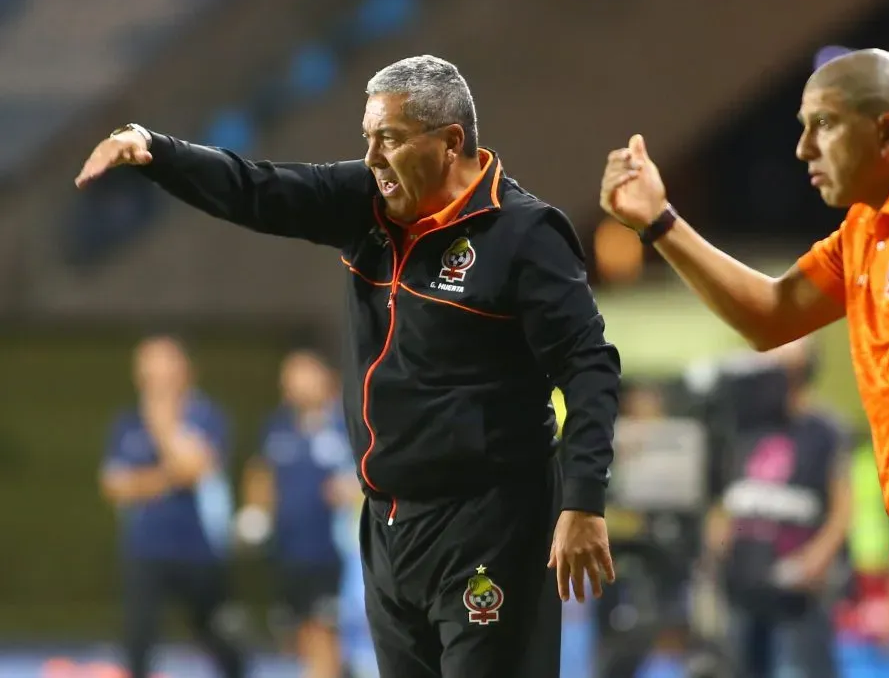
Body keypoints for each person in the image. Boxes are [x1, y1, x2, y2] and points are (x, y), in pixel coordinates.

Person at [77, 55, 620, 678]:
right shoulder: (366, 201)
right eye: (368, 138)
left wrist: (584, 501)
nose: (372, 158)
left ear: (450, 143)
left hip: (490, 521)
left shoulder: (524, 235)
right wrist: (157, 151)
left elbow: (590, 365)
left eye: (388, 139)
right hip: (388, 526)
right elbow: (258, 188)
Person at [600, 47, 889, 677]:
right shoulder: (869, 227)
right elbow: (770, 314)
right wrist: (661, 224)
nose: (802, 148)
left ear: (886, 131)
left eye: (822, 124)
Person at [99, 335, 246, 678]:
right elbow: (115, 486)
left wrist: (162, 425)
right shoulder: (126, 422)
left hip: (199, 548)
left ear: (184, 369)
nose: (153, 374)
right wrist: (166, 477)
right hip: (145, 547)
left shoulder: (208, 416)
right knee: (138, 637)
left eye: (162, 363)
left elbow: (197, 468)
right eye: (146, 365)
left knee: (217, 633)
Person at [704, 340, 851, 678]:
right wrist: (718, 545)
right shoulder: (748, 425)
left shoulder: (825, 430)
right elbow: (726, 495)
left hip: (799, 587)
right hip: (744, 580)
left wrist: (818, 558)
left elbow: (843, 508)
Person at [237, 348, 359, 678]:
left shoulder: (347, 425)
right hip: (287, 551)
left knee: (323, 631)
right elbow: (260, 472)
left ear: (325, 377)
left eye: (304, 374)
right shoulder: (276, 427)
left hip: (332, 553)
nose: (295, 384)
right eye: (289, 376)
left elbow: (371, 474)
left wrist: (352, 488)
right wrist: (256, 512)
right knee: (295, 636)